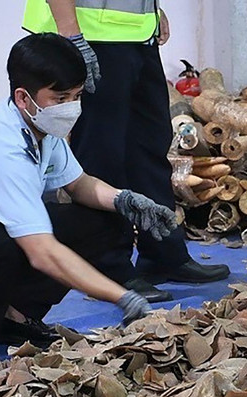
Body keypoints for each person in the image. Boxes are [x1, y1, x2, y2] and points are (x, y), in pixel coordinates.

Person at [0, 33, 175, 374]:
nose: (70, 107)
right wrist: (121, 296)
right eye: (60, 97)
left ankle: (16, 319)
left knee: (103, 220)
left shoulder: (42, 127)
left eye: (75, 96)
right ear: (23, 97)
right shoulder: (0, 147)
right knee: (6, 241)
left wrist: (126, 200)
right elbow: (41, 251)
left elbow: (79, 184)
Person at [22, 0, 230, 299]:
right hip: (90, 37)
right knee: (101, 154)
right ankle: (107, 267)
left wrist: (152, 10)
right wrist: (72, 38)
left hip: (134, 38)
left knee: (149, 147)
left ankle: (163, 254)